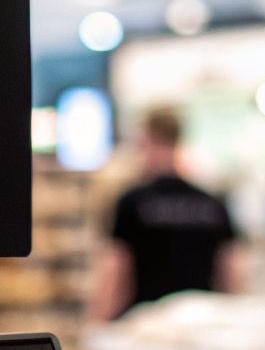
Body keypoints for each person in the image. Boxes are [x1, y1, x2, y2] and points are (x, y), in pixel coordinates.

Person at [91, 109, 238, 321]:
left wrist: (98, 322)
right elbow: (230, 271)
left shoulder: (133, 202)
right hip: (201, 319)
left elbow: (117, 269)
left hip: (145, 322)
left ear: (149, 141)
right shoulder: (211, 202)